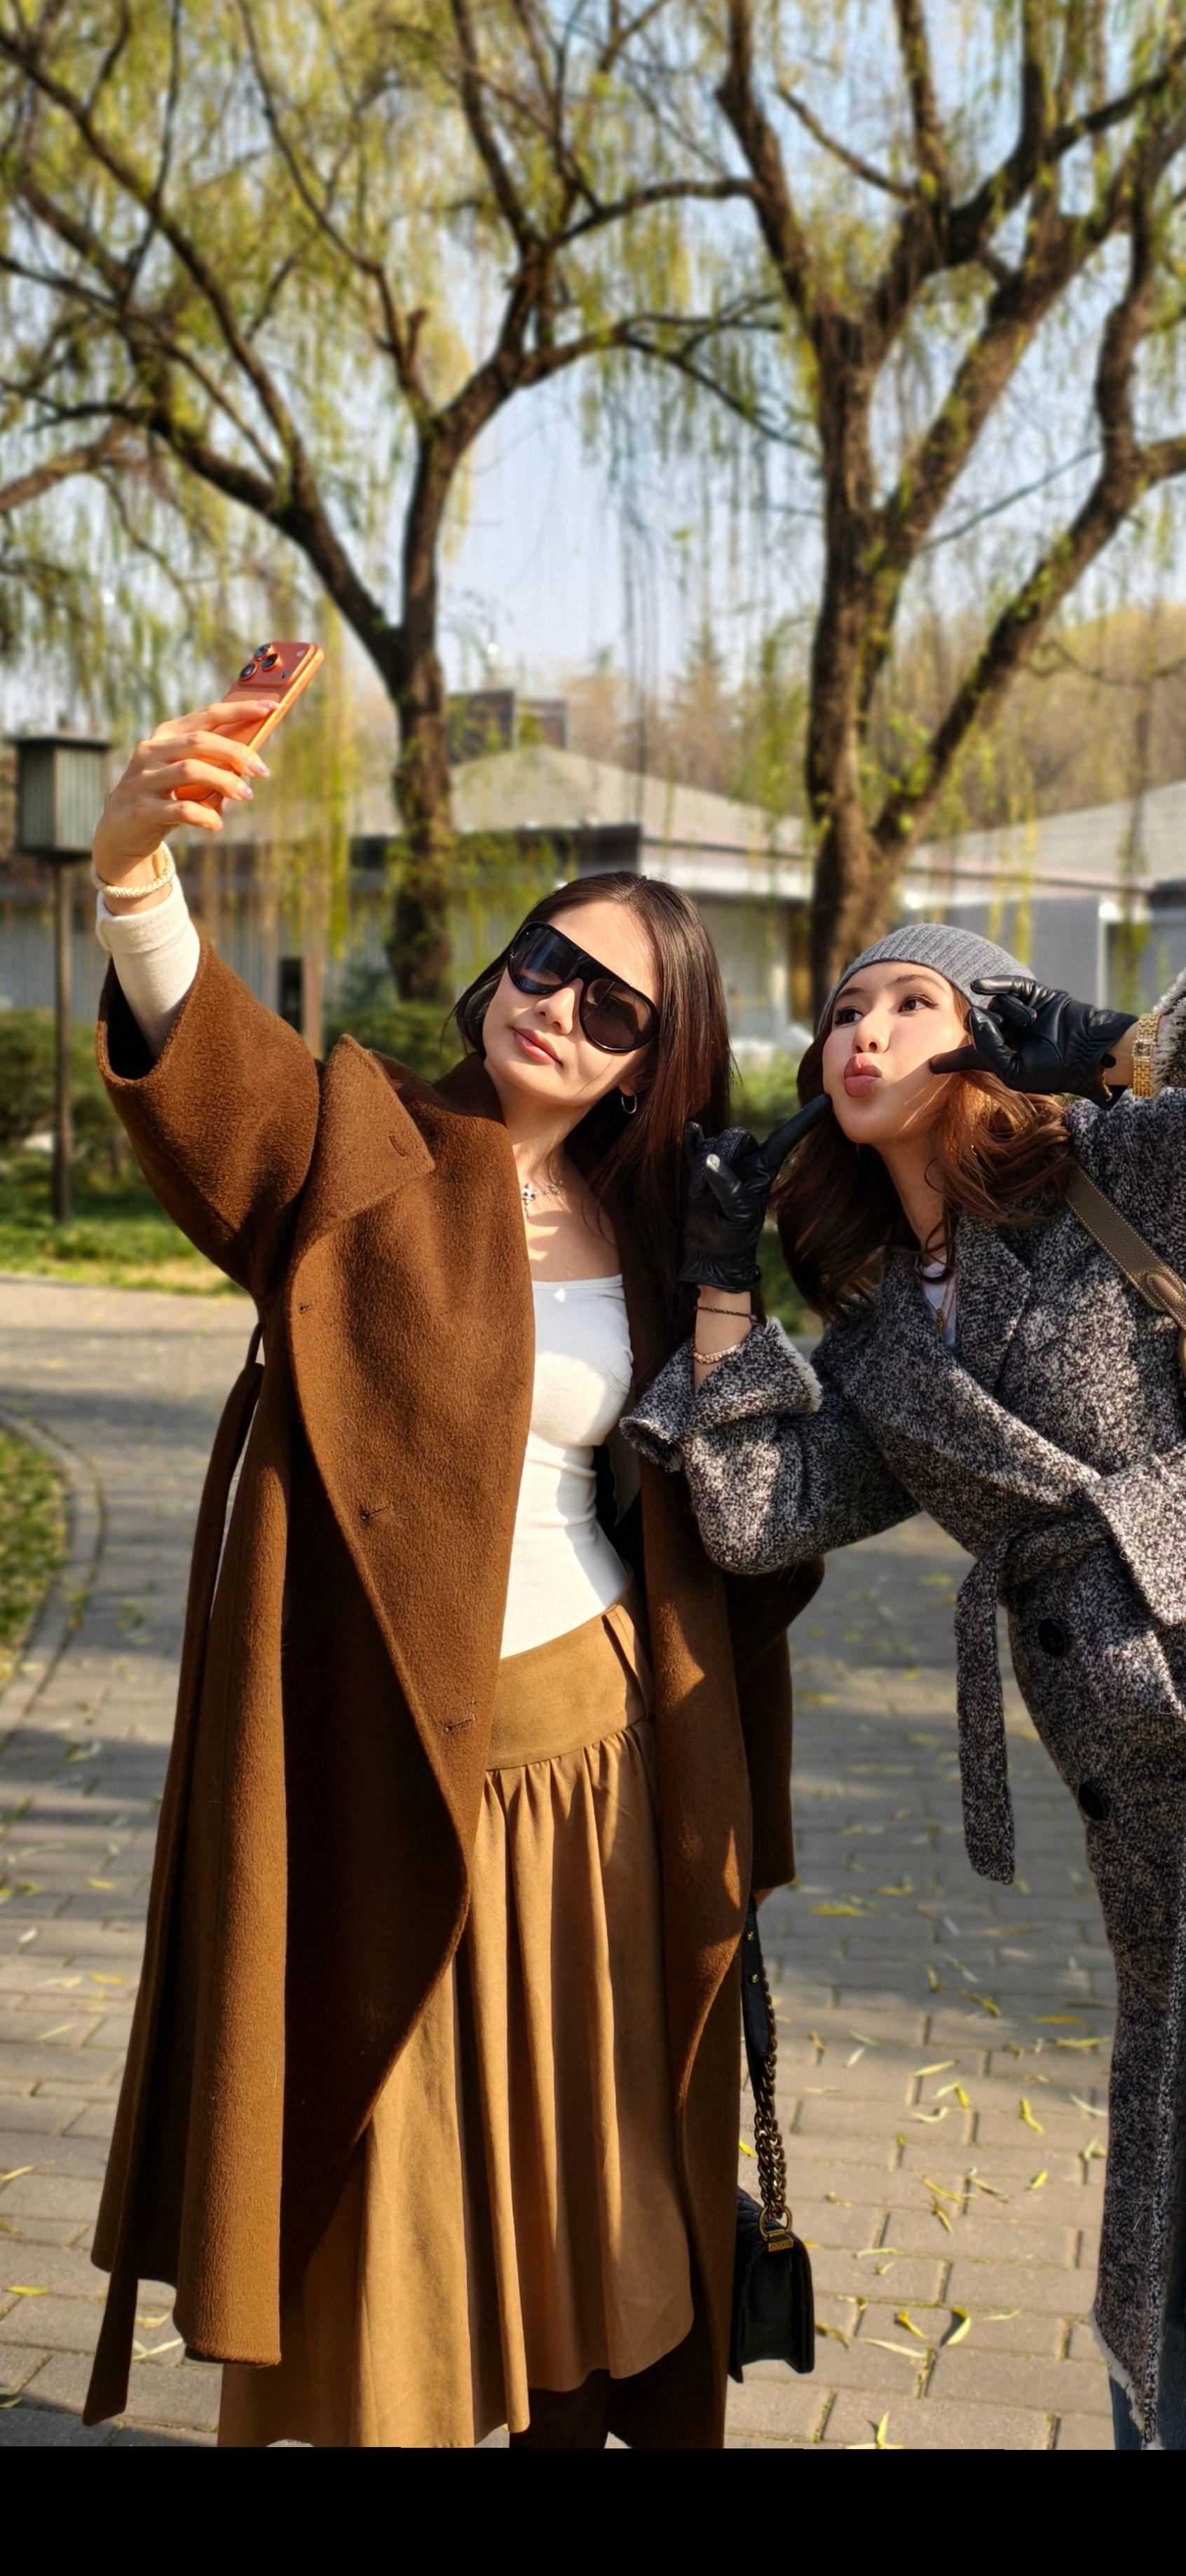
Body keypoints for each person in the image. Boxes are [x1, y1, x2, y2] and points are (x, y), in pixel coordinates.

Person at [624, 914, 1186, 2451]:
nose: (864, 1032)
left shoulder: (1139, 1172)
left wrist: (1122, 1046)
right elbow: (758, 1511)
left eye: (914, 1001)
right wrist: (718, 1283)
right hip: (1146, 1776)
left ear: (988, 1035)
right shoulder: (882, 1332)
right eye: (843, 1009)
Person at [81, 694, 813, 2448]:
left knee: (587, 2168)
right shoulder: (368, 1142)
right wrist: (132, 873)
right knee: (392, 2157)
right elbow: (215, 1066)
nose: (557, 1004)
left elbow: (746, 1512)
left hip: (607, 1768)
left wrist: (729, 1286)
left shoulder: (663, 1229)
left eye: (613, 1005)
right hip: (392, 1772)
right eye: (545, 960)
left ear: (653, 1061)